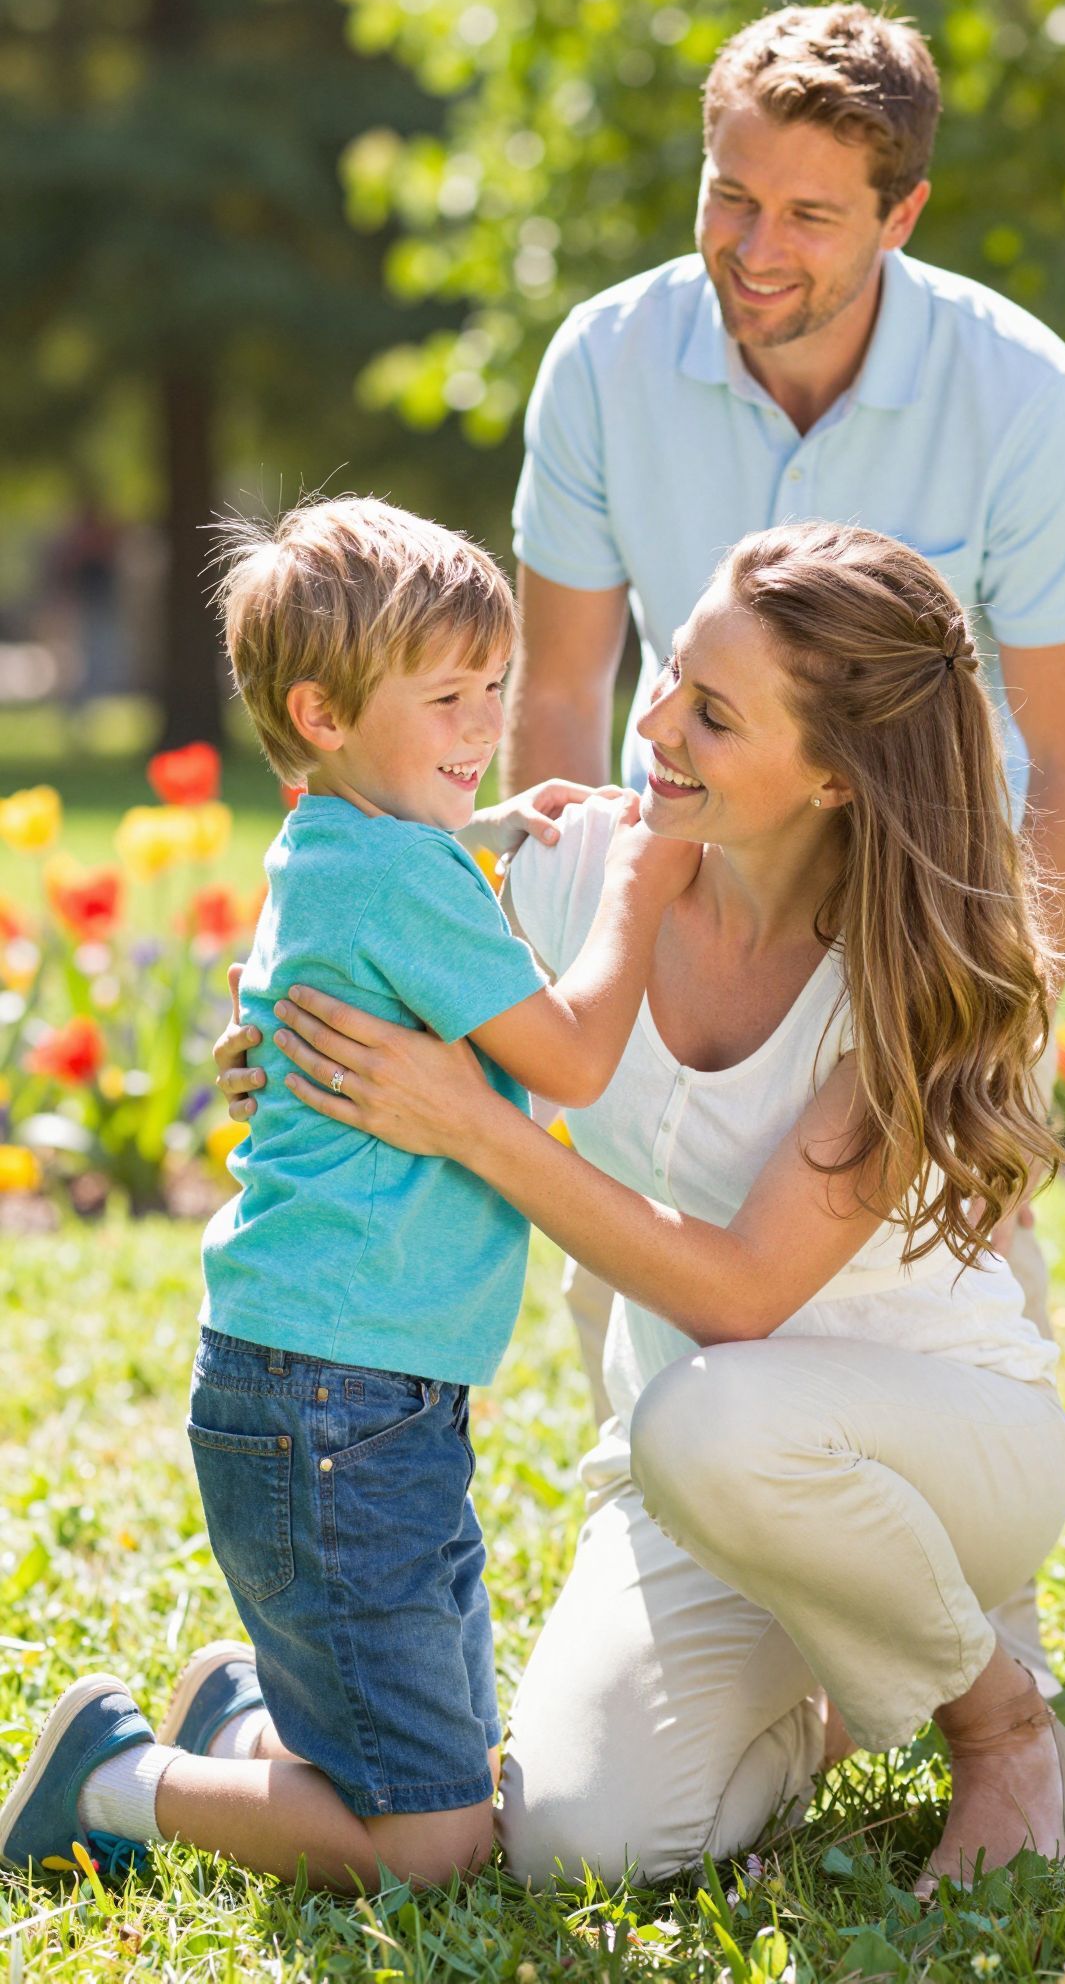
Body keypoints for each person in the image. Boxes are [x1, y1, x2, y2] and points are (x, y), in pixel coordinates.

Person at [208, 521, 1065, 1896]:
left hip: (936, 1447)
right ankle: (848, 1675)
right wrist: (295, 1053)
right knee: (578, 1843)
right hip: (689, 1483)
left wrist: (475, 1128)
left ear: (837, 777)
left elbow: (739, 1298)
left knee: (711, 1404)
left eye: (714, 716)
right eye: (670, 671)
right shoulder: (577, 870)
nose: (655, 724)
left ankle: (1003, 1720)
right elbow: (377, 931)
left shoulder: (915, 981)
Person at [502, 2, 1065, 1657]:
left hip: (905, 963)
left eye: (809, 213)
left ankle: (980, 1673)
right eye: (729, 196)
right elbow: (561, 698)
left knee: (928, 1359)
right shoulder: (606, 361)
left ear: (903, 213)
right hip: (684, 934)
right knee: (665, 1398)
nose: (753, 249)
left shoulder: (1020, 394)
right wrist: (567, 992)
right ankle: (722, 1660)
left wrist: (981, 1045)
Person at [0, 497, 696, 1894]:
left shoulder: (334, 843)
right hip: (341, 1404)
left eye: (495, 688)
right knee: (437, 1846)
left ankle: (243, 1725)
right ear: (320, 713)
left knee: (459, 1780)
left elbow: (401, 880)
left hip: (352, 1389)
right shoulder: (396, 878)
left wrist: (486, 820)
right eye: (447, 697)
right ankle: (115, 1779)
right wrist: (643, 877)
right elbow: (563, 1052)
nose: (485, 721)